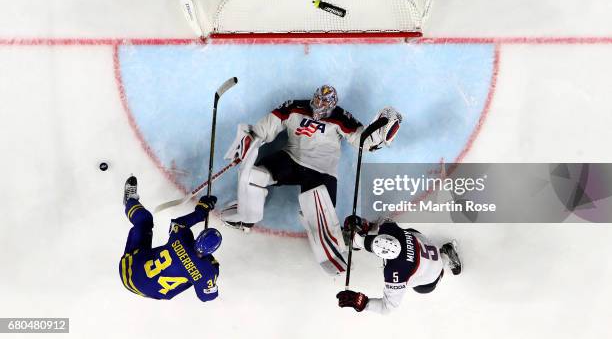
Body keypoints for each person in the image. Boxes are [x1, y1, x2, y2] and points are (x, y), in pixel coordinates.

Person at [220, 84, 402, 231]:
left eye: (324, 103)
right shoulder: (294, 107)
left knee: (320, 218)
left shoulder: (342, 117)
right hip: (290, 160)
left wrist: (378, 135)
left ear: (332, 105)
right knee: (253, 175)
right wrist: (250, 139)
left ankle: (327, 241)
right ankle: (246, 216)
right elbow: (269, 125)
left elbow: (362, 141)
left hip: (322, 172)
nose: (319, 105)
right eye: (317, 100)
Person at [119, 175, 221, 301]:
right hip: (149, 289)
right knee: (193, 278)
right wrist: (212, 268)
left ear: (198, 238)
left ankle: (130, 200)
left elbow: (177, 223)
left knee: (144, 221)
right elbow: (208, 296)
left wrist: (201, 211)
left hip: (132, 270)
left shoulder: (180, 238)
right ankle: (129, 200)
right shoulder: (205, 272)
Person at [336, 218, 462, 314]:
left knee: (423, 289)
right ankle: (443, 254)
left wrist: (363, 303)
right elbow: (382, 222)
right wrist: (363, 225)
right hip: (424, 247)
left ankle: (445, 255)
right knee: (410, 233)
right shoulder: (390, 229)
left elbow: (388, 307)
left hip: (434, 271)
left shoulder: (395, 272)